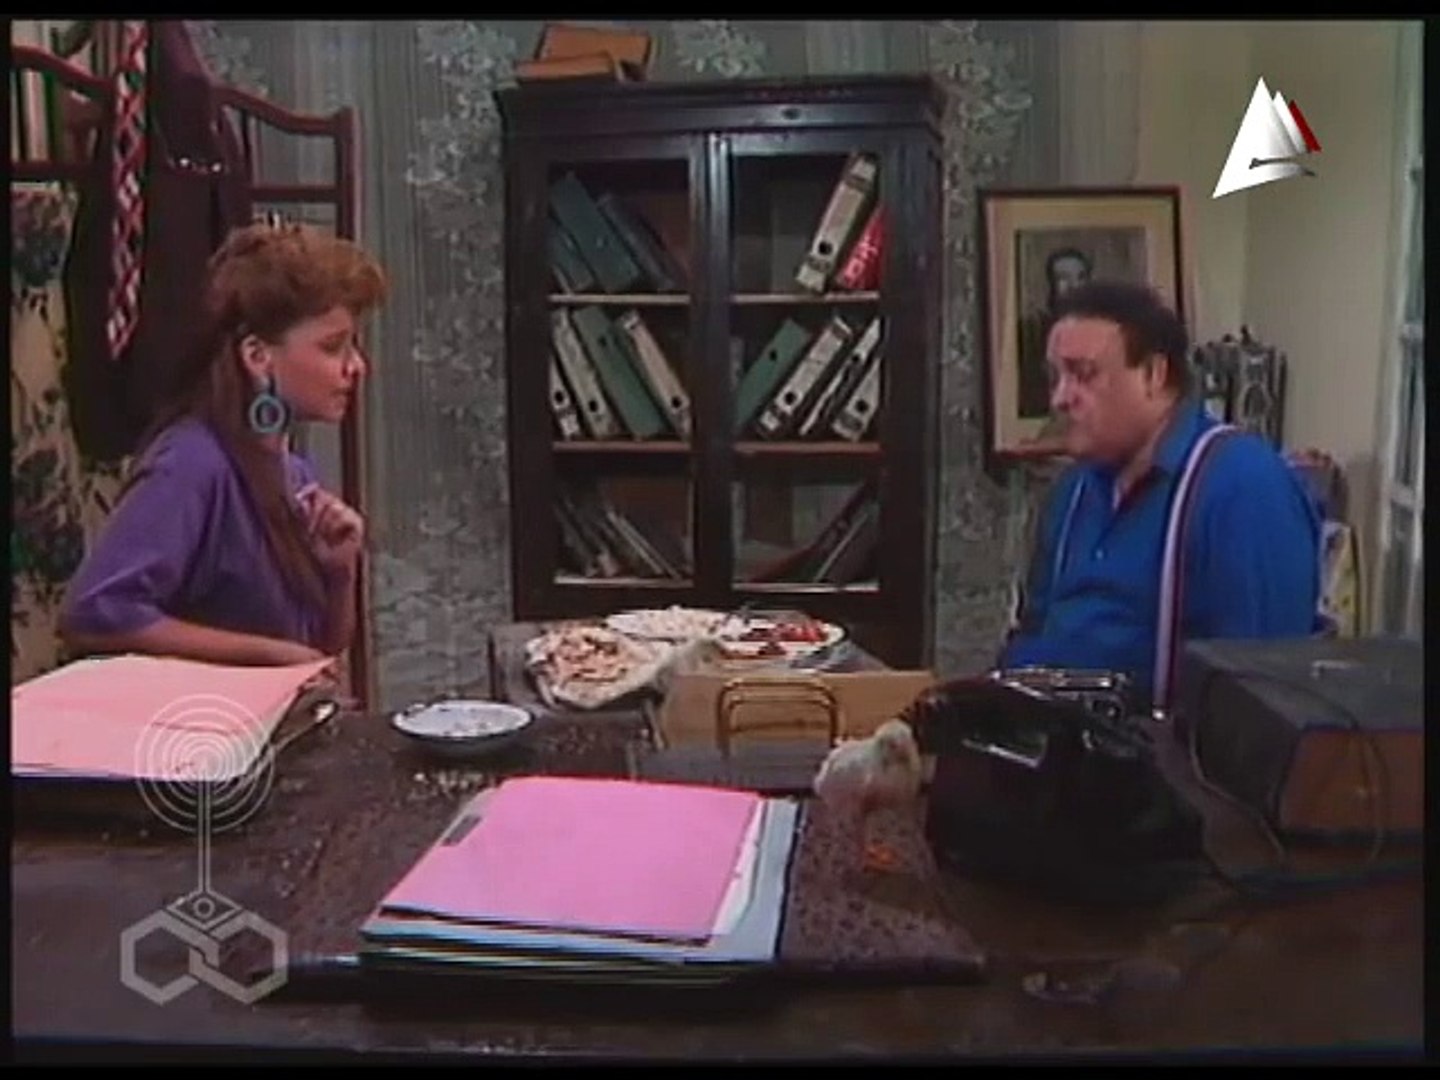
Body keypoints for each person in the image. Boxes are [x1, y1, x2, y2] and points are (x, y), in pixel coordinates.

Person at [59, 221, 387, 667]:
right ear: (257, 356)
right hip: (201, 713)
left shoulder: (290, 469)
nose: (357, 367)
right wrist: (263, 656)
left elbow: (320, 650)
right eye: (333, 348)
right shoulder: (191, 464)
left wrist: (339, 573)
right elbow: (95, 612)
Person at [1000, 280, 1322, 708]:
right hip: (1055, 737)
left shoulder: (1244, 488)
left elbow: (1258, 696)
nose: (1060, 398)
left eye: (1084, 374)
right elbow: (1033, 634)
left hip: (1158, 746)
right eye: (1055, 377)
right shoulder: (1073, 491)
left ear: (1153, 375)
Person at [1017, 247, 1092, 420]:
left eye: (1080, 278)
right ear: (1051, 284)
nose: (1074, 285)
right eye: (1064, 278)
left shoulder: (1105, 331)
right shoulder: (1033, 330)